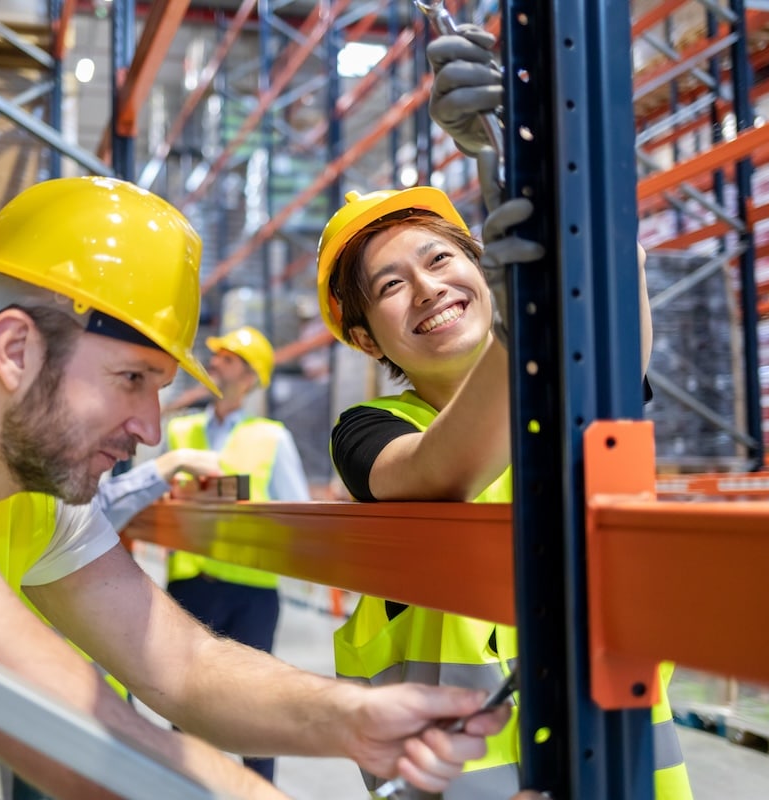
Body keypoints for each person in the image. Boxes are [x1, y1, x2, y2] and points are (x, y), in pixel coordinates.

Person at [0, 177, 513, 800]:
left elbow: (180, 667)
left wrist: (351, 721)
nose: (152, 427)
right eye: (131, 379)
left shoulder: (25, 489)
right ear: (14, 351)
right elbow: (82, 738)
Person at [311, 26, 691, 800]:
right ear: (363, 336)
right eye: (389, 287)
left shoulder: (580, 379)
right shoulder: (369, 432)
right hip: (459, 774)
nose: (428, 289)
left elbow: (621, 313)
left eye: (443, 257)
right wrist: (526, 318)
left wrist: (547, 159)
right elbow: (440, 473)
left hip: (615, 752)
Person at [94, 325, 310, 784]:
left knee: (257, 702)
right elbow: (158, 498)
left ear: (251, 376)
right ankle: (188, 787)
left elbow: (297, 513)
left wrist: (238, 500)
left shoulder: (273, 437)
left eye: (228, 358)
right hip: (189, 585)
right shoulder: (183, 428)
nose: (215, 363)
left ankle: (259, 791)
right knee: (184, 700)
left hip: (251, 590)